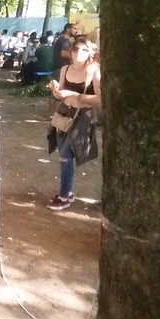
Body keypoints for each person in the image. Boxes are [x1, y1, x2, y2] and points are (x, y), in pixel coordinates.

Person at [46, 39, 101, 211]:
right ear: (70, 51)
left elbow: (100, 99)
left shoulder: (94, 71)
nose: (78, 53)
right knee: (64, 156)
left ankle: (64, 196)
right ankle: (67, 192)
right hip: (64, 114)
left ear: (90, 53)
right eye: (75, 49)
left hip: (82, 116)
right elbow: (59, 95)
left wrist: (76, 95)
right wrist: (55, 90)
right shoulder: (65, 69)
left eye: (83, 50)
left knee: (65, 154)